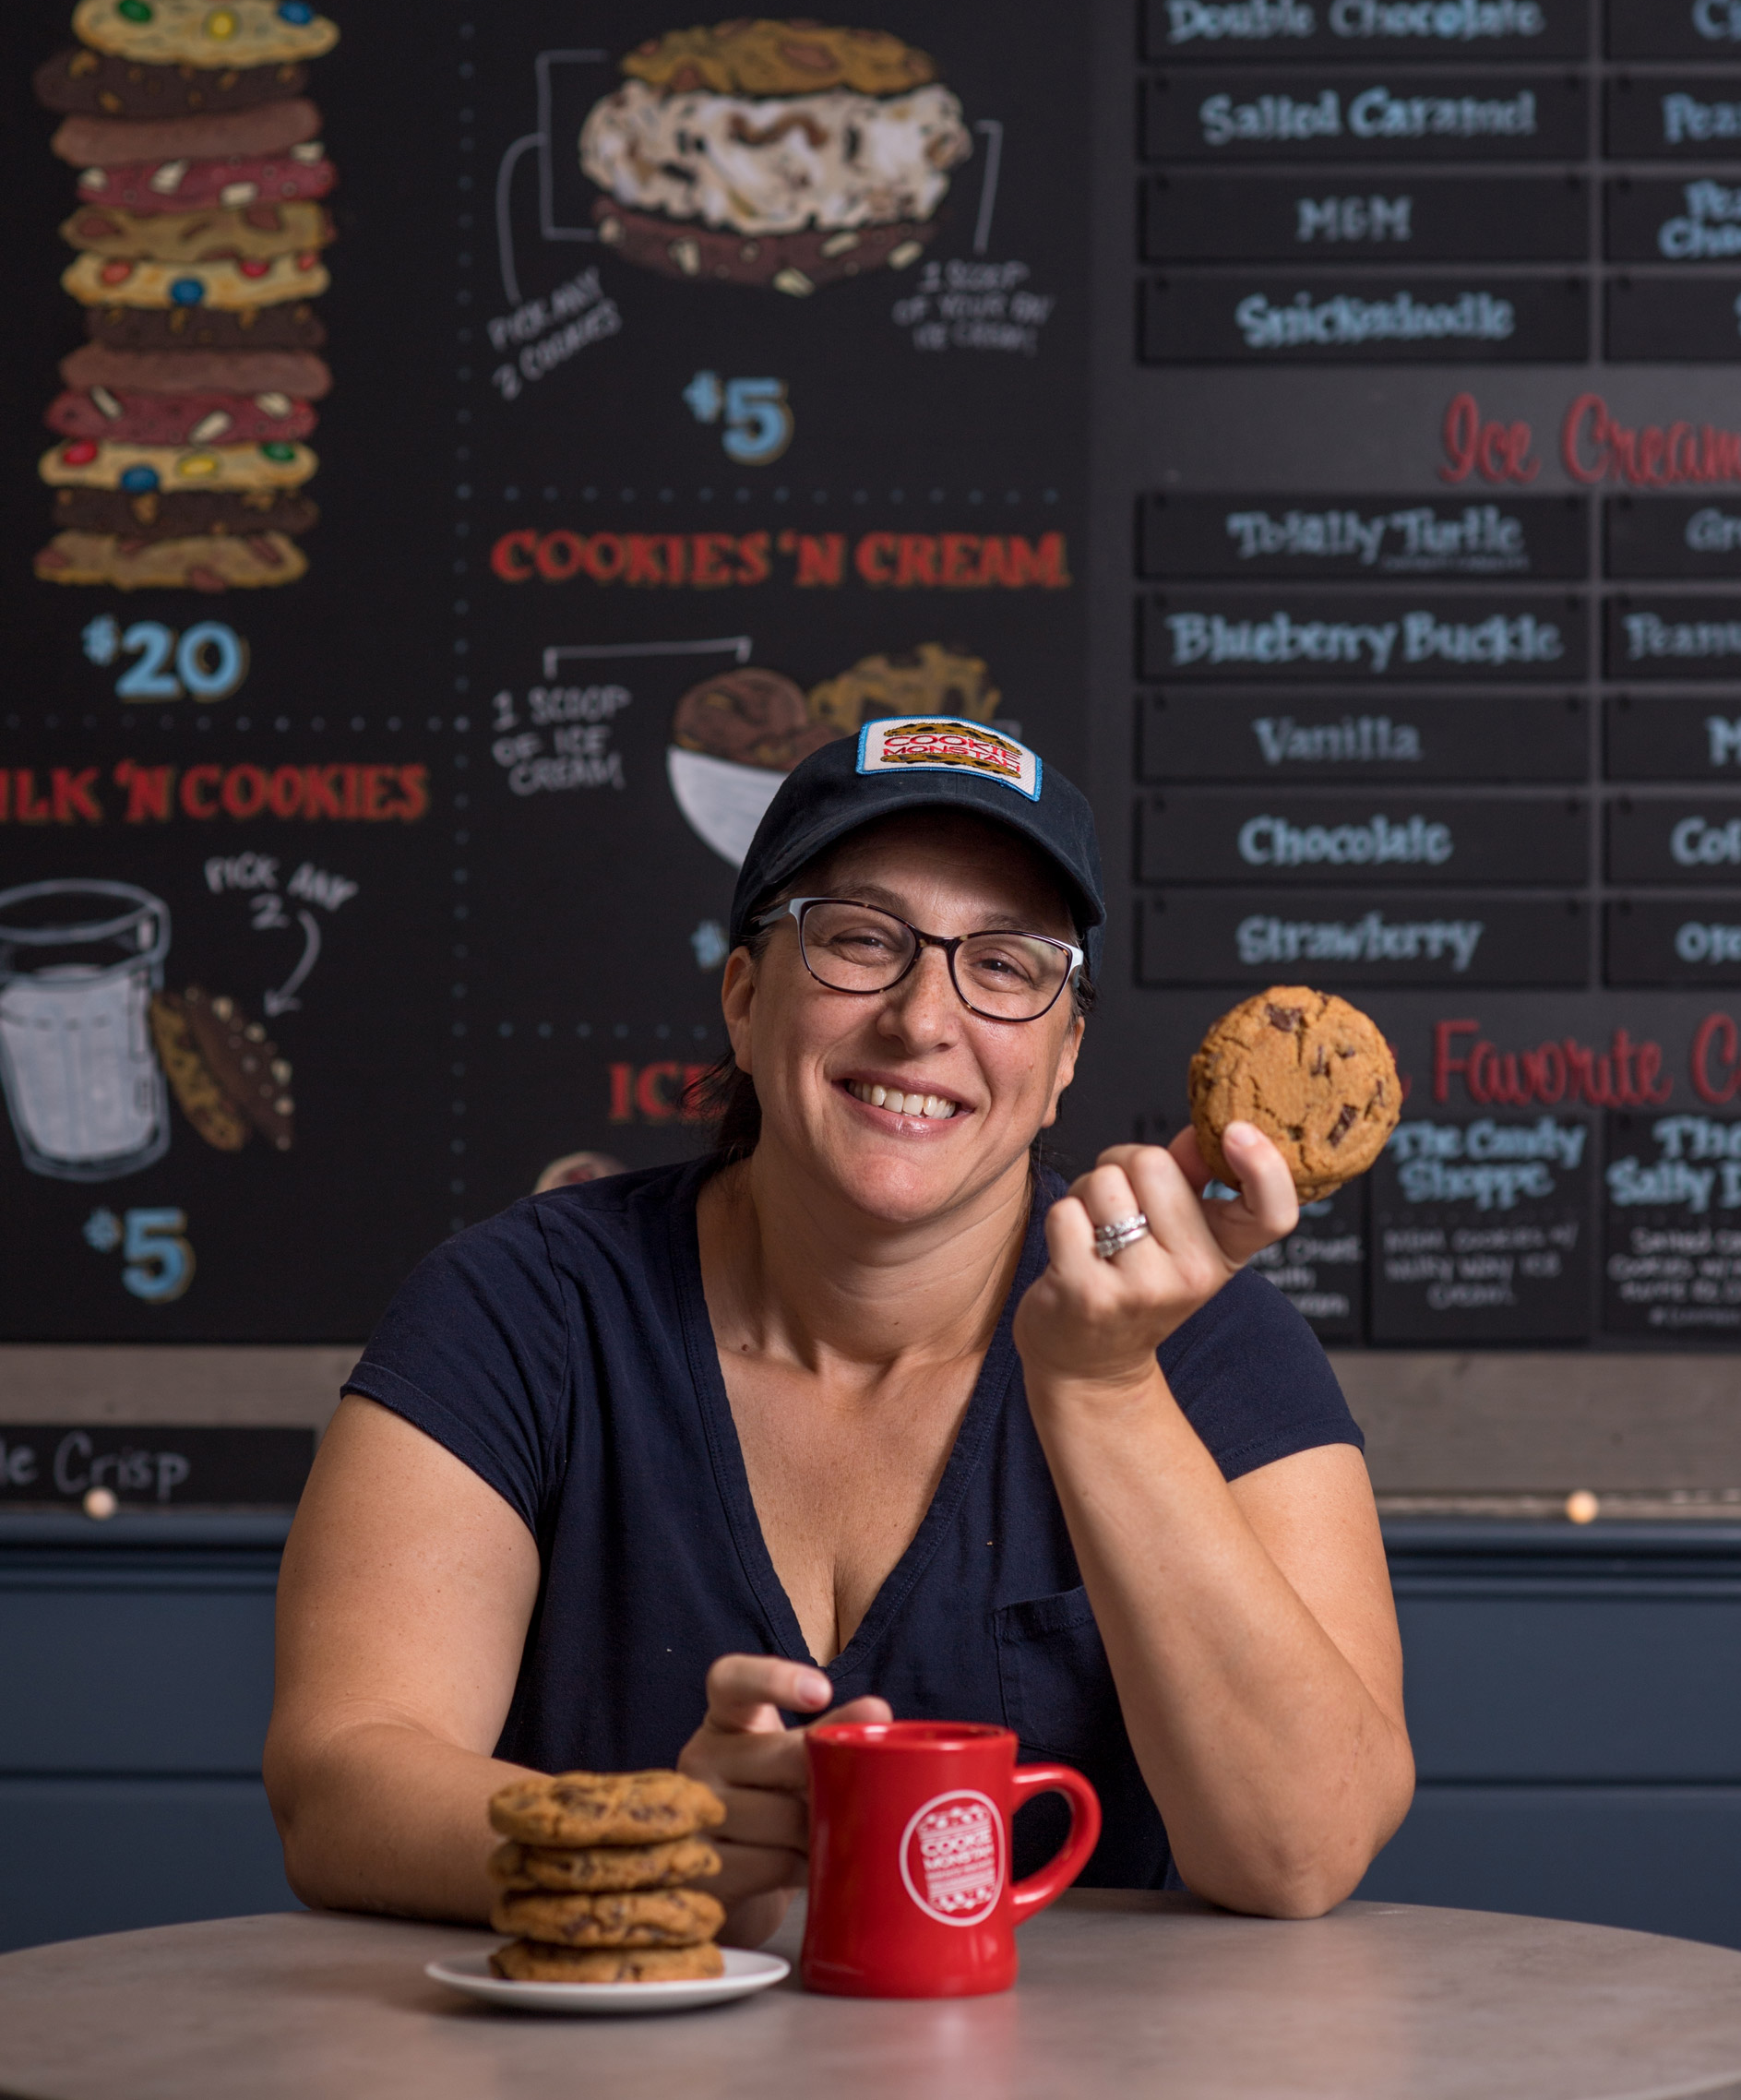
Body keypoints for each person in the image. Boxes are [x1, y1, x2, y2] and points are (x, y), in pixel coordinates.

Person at [265, 719, 1413, 1939]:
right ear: (748, 997)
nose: (924, 1020)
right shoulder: (522, 1310)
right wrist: (656, 1840)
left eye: (1009, 965)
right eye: (861, 941)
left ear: (1066, 1053)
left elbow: (1303, 1847)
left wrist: (1107, 1390)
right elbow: (342, 1779)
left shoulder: (1205, 1345)